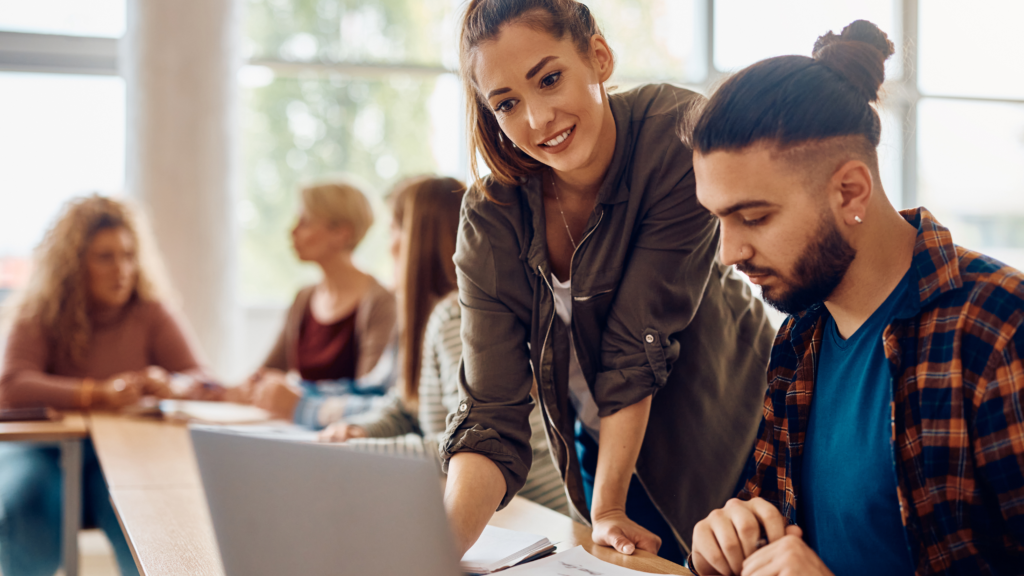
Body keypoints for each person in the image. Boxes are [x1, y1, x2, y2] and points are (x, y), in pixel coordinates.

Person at [439, 0, 776, 564]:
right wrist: (431, 552)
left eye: (549, 79)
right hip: (605, 450)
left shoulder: (675, 135)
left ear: (598, 56)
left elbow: (635, 342)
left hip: (733, 435)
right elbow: (489, 412)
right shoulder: (491, 213)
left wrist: (608, 507)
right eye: (507, 104)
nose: (538, 119)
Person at [684, 20, 1024, 576]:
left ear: (850, 191)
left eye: (753, 217)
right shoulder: (801, 336)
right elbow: (768, 520)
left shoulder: (999, 329)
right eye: (719, 218)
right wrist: (723, 541)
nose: (729, 252)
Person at [318, 176, 569, 515]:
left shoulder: (456, 318)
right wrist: (361, 429)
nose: (387, 245)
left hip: (531, 512)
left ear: (415, 242)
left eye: (393, 229)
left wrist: (365, 450)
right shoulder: (436, 316)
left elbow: (471, 442)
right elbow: (407, 405)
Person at [0, 195, 210, 576]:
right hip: (44, 452)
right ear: (73, 263)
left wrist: (170, 384)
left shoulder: (151, 311)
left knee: (149, 514)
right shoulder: (40, 311)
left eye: (129, 255)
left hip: (126, 455)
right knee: (25, 501)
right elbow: (13, 385)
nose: (122, 269)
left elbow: (201, 380)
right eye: (105, 257)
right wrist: (97, 394)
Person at [245, 181, 397, 425]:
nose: (292, 231)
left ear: (341, 233)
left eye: (304, 222)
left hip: (341, 438)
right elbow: (268, 373)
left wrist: (296, 400)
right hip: (300, 430)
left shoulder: (380, 302)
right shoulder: (304, 297)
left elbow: (369, 394)